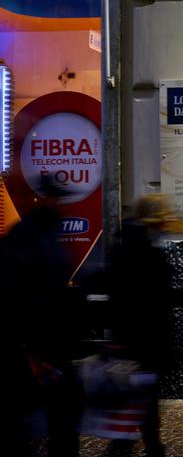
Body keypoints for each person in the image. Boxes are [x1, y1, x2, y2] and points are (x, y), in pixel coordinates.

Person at [2, 176, 81, 457]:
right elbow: (31, 292)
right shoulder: (36, 237)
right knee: (54, 416)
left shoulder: (34, 234)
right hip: (39, 344)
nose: (61, 205)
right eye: (57, 198)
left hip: (41, 342)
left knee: (45, 417)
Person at [103, 194, 177, 457]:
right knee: (139, 403)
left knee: (140, 403)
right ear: (154, 220)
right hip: (141, 343)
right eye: (165, 217)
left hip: (136, 342)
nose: (169, 222)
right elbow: (142, 300)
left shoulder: (130, 244)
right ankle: (144, 449)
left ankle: (145, 447)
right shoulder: (141, 250)